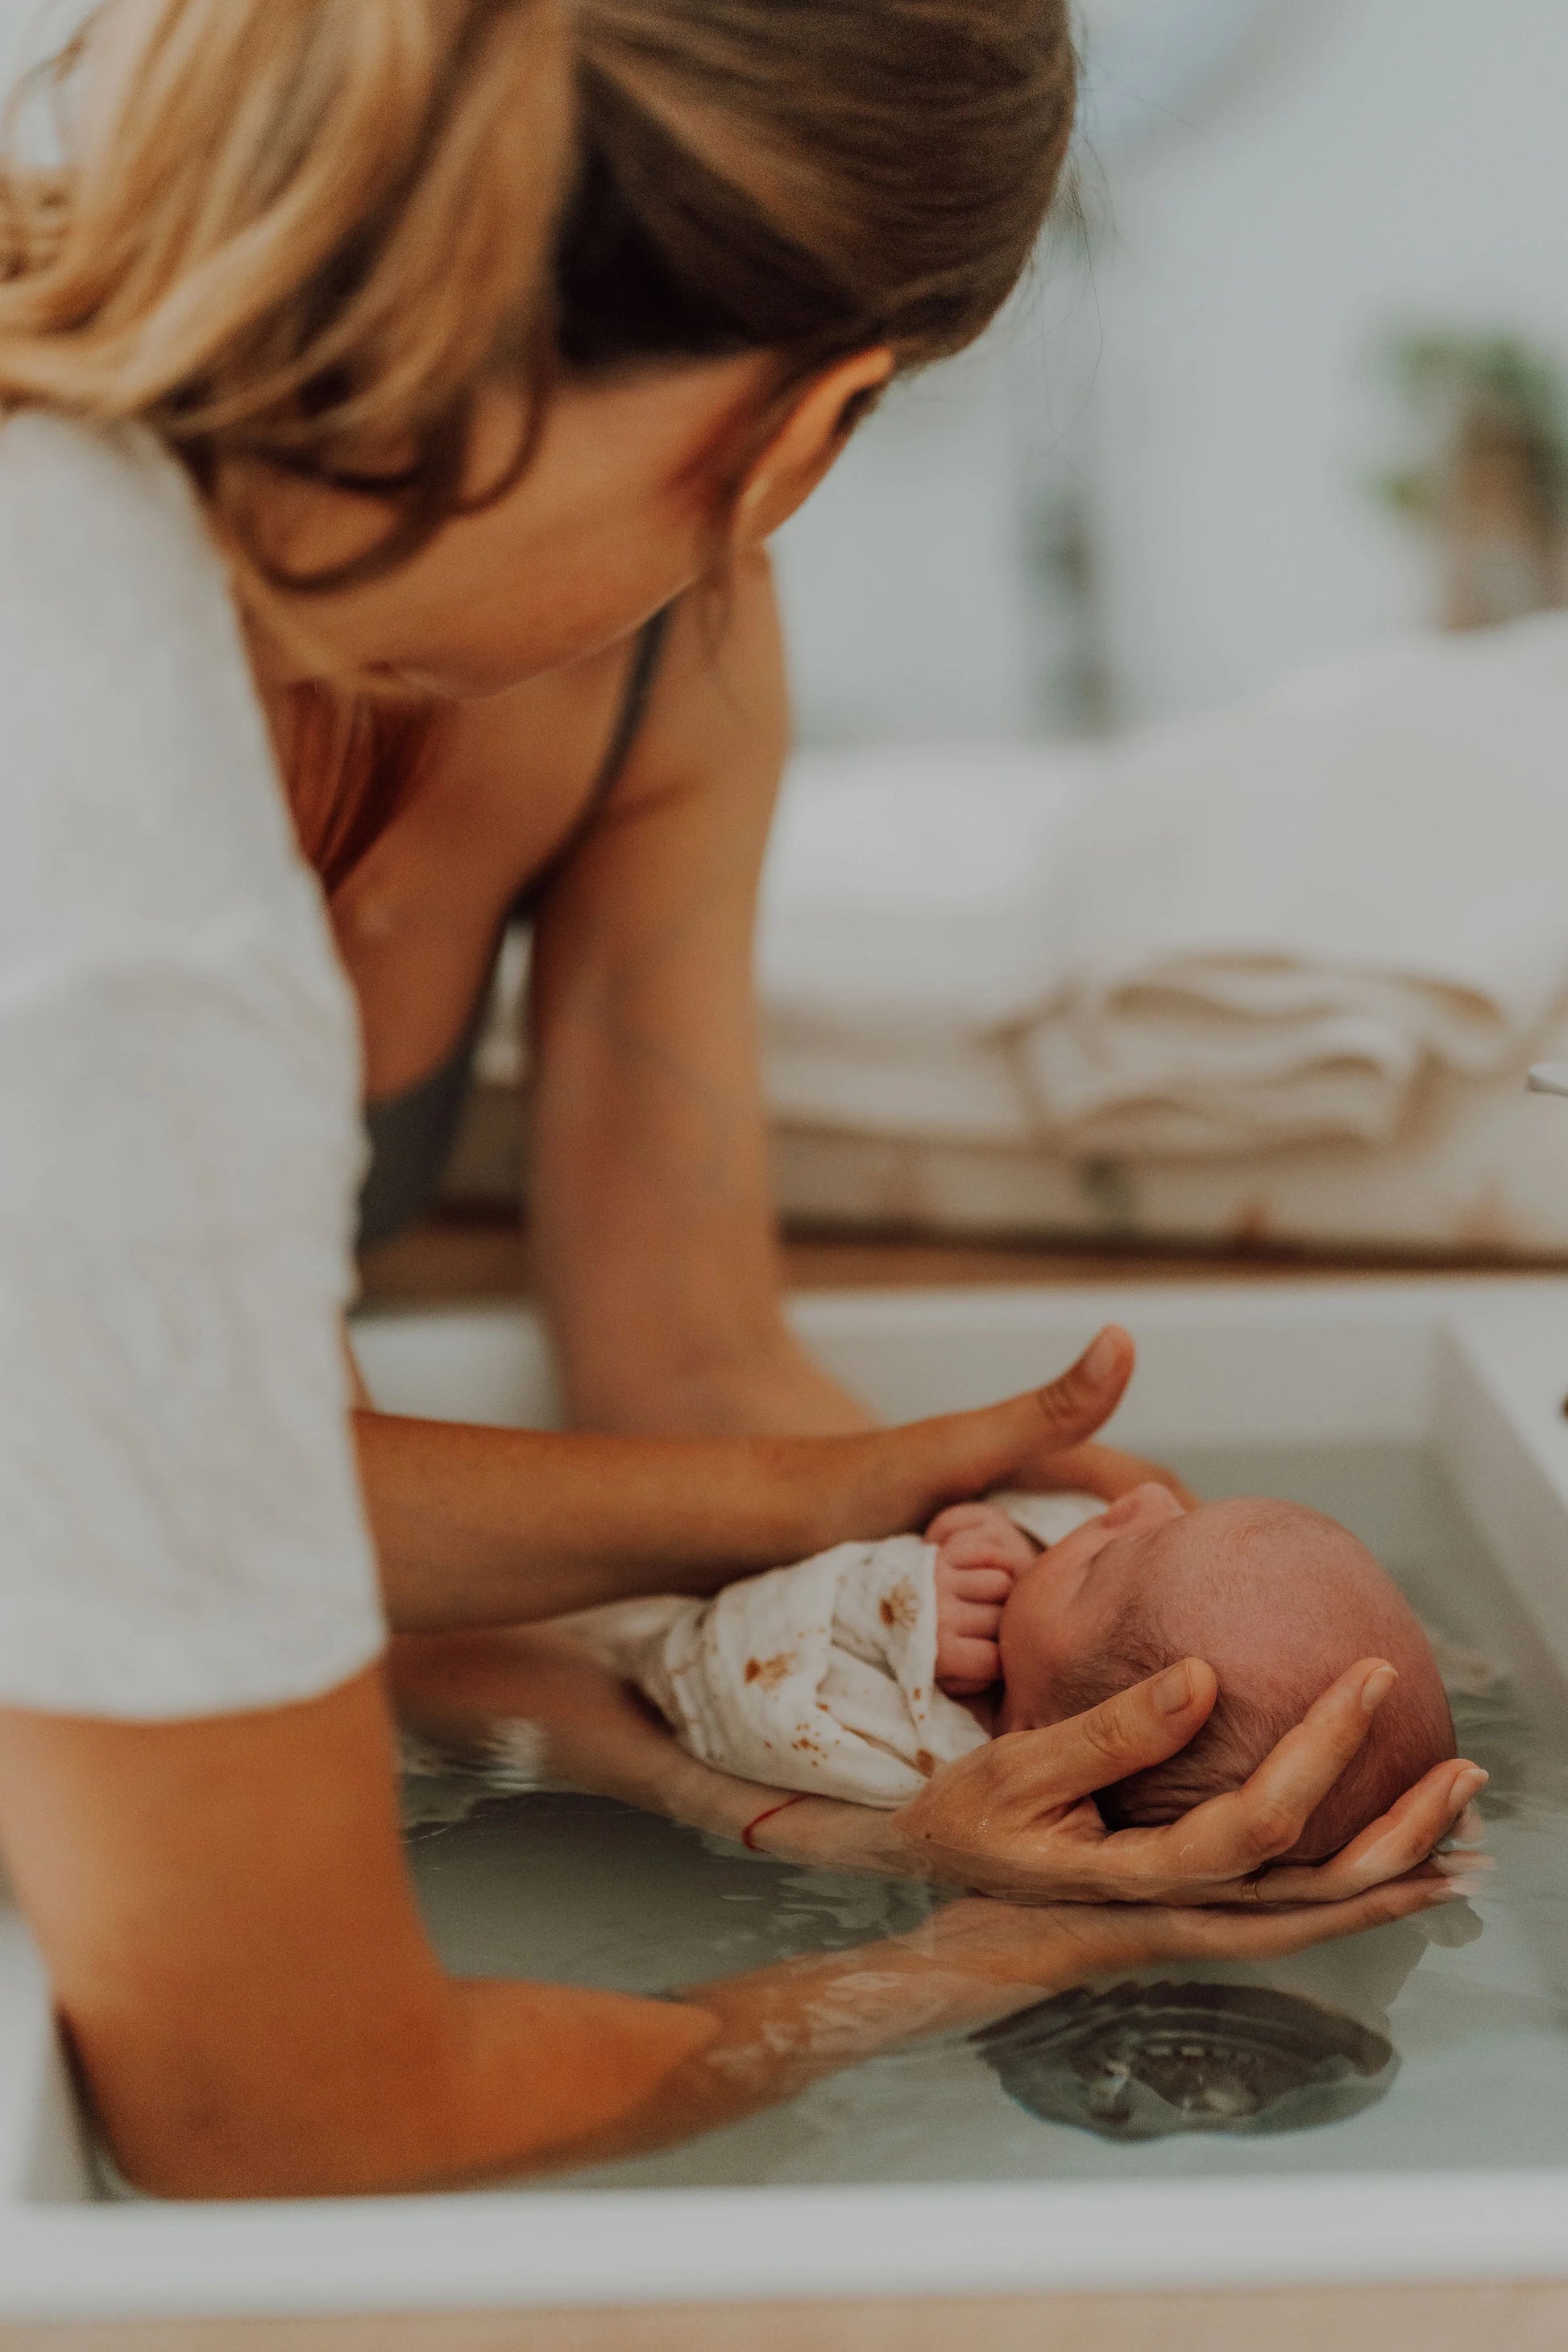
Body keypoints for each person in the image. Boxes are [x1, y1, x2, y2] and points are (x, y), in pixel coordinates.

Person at [0, 0, 1480, 2201]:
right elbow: (289, 2113)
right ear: (808, 428)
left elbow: (189, 1483)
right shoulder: (123, 896)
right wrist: (965, 1946)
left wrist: (810, 1661)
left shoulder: (106, 526)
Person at [409, 1486, 1462, 1872]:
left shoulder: (908, 1750)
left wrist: (891, 1595)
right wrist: (1013, 1542)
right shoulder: (1040, 1653)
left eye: (1100, 1561)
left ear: (1033, 1728)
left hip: (534, 1649)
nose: (1135, 1498)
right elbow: (1092, 1589)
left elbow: (705, 1675)